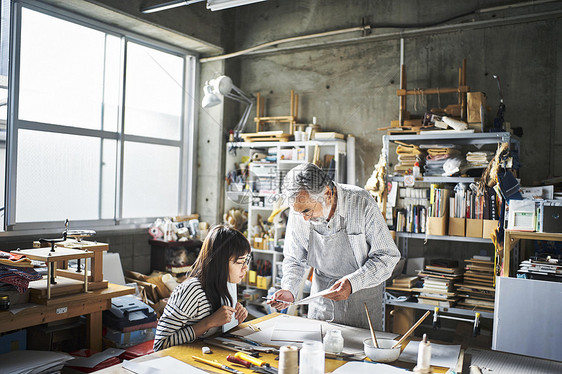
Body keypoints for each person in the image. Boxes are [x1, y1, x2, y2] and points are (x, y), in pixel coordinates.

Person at [268, 163, 400, 329]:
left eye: (307, 211)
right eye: (298, 212)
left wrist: (353, 283)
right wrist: (289, 289)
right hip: (321, 304)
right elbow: (295, 258)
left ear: (328, 194)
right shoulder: (300, 212)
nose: (304, 219)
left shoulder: (362, 203)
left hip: (362, 305)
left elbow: (387, 257)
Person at [154, 225, 250, 351]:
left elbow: (217, 337)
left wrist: (235, 322)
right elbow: (160, 345)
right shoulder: (192, 292)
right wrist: (209, 322)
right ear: (220, 262)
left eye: (246, 260)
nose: (245, 268)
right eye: (239, 262)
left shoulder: (227, 286)